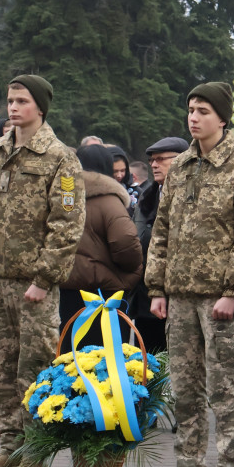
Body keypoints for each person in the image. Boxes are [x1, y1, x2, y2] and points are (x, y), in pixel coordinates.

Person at [142, 82, 234, 467]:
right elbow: (162, 230)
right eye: (191, 110)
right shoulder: (180, 166)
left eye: (203, 111)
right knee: (185, 389)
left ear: (223, 118)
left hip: (219, 299)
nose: (194, 118)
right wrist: (156, 287)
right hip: (179, 295)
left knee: (224, 389)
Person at [0, 74, 85, 467]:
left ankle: (36, 451)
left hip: (34, 286)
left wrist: (45, 278)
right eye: (10, 100)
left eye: (22, 101)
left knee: (34, 369)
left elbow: (66, 225)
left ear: (41, 108)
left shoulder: (60, 157)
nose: (13, 107)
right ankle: (8, 447)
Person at [57, 145, 143, 343]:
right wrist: (133, 273)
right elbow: (126, 244)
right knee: (104, 363)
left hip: (64, 290)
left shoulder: (63, 199)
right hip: (103, 296)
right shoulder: (110, 203)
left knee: (68, 359)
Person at [132, 136, 189, 353]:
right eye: (152, 160)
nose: (154, 164)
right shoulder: (148, 194)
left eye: (160, 159)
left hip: (176, 295)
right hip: (146, 293)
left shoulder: (190, 197)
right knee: (146, 361)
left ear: (179, 160)